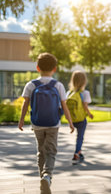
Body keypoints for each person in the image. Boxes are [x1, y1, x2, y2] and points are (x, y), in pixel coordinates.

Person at [18, 53, 75, 194]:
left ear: (37, 68)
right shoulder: (58, 85)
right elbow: (64, 106)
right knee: (51, 151)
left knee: (41, 151)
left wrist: (21, 120)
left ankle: (42, 179)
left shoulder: (31, 85)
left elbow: (25, 104)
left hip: (37, 124)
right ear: (54, 69)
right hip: (53, 124)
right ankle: (47, 176)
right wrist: (70, 122)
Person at [66, 70, 94, 165]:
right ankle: (77, 152)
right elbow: (85, 106)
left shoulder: (69, 93)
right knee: (80, 137)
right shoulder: (85, 93)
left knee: (79, 136)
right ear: (84, 81)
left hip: (72, 119)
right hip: (81, 119)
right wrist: (89, 114)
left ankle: (79, 152)